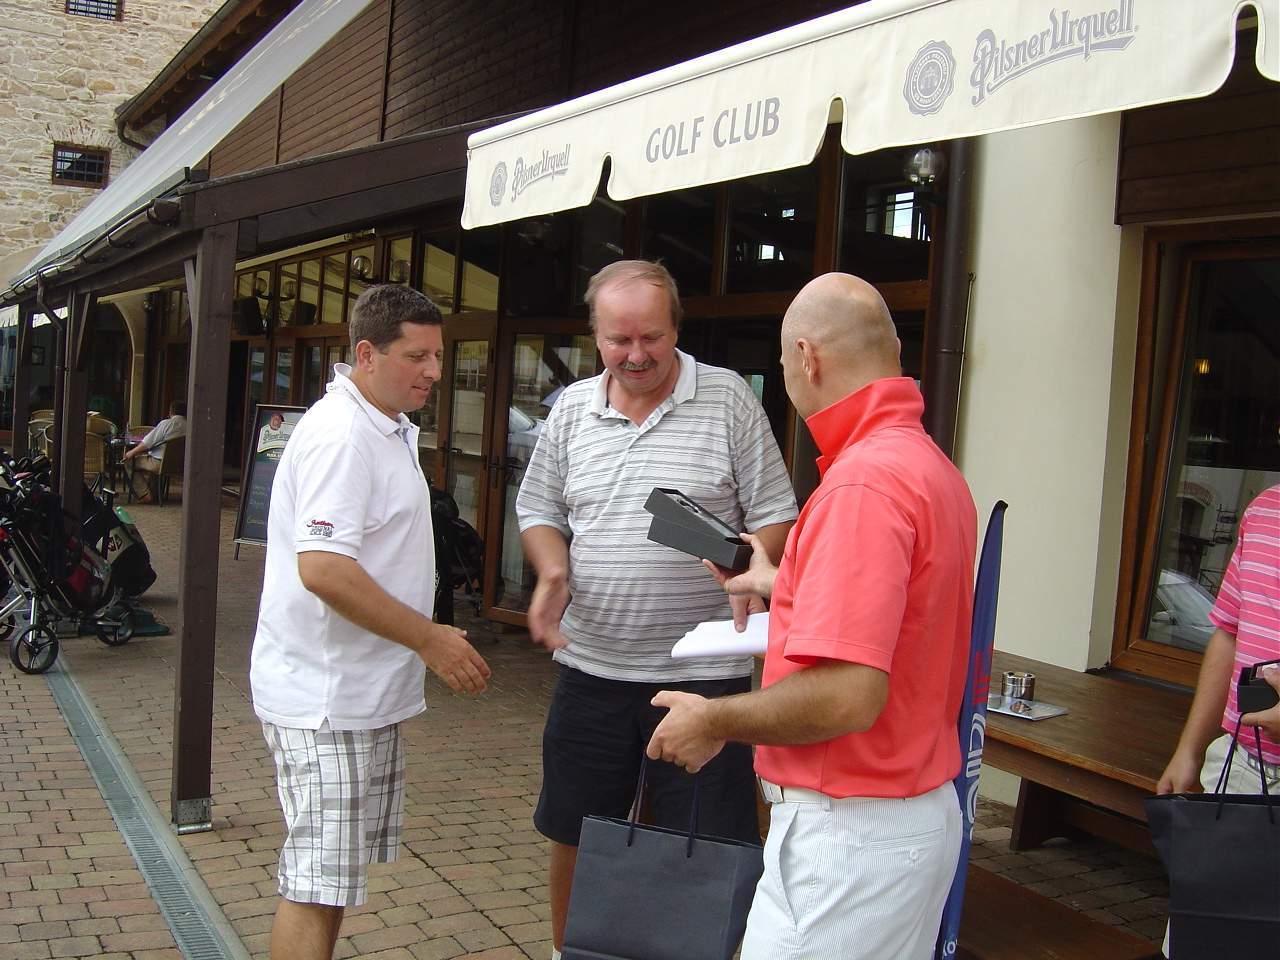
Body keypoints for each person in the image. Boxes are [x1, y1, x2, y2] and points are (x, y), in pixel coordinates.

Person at [647, 272, 977, 960]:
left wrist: (713, 719)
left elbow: (849, 693)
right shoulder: (927, 466)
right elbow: (906, 619)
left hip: (851, 836)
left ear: (807, 357)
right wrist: (783, 581)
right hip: (906, 817)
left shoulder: (861, 483)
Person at [517, 260, 798, 958]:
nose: (636, 355)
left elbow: (775, 513)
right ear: (595, 336)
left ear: (677, 327)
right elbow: (539, 508)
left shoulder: (728, 399)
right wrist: (553, 570)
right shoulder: (572, 409)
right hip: (593, 667)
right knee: (578, 832)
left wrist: (753, 560)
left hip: (705, 678)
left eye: (652, 337)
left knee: (703, 843)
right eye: (619, 340)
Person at [249, 284, 492, 960]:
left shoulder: (383, 424)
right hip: (326, 699)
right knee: (314, 883)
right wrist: (429, 637)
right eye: (417, 357)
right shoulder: (343, 435)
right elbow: (324, 569)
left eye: (438, 356)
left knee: (332, 882)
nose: (434, 372)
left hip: (355, 697)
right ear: (366, 354)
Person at [1156, 484, 1280, 958]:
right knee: (1203, 941)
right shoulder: (1265, 509)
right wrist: (1189, 750)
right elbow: (1228, 631)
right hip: (1241, 770)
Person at [122, 399, 186, 500]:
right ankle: (154, 494)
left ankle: (144, 494)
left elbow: (147, 443)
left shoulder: (167, 424)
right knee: (153, 457)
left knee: (129, 462)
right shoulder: (190, 426)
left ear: (171, 412)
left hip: (160, 463)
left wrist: (131, 452)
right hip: (180, 464)